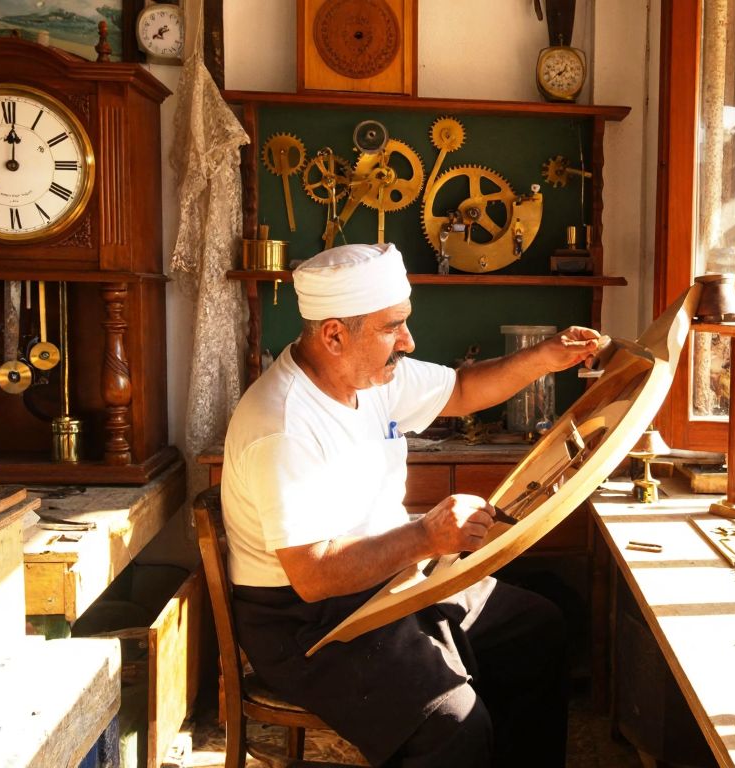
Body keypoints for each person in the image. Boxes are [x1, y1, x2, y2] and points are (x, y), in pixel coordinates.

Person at [221, 242, 604, 767]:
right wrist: (426, 537)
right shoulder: (283, 425)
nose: (408, 340)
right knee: (451, 724)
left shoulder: (372, 376)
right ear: (334, 334)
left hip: (392, 578)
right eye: (391, 327)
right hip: (307, 621)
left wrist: (544, 356)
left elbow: (463, 388)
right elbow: (312, 576)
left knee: (536, 628)